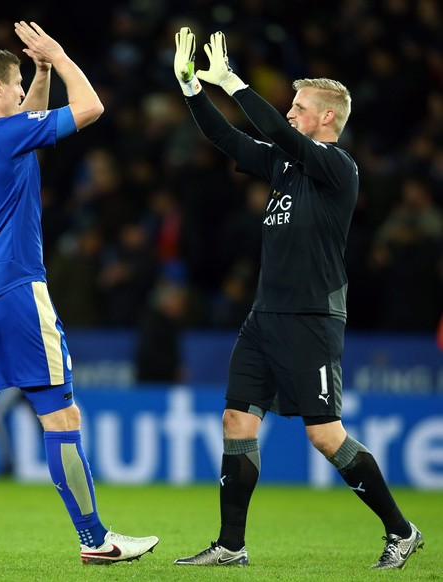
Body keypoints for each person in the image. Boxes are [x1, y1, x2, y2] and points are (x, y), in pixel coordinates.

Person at [0, 21, 158, 566]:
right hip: (15, 293)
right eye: (16, 83)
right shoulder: (4, 135)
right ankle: (97, 541)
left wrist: (39, 72)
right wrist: (60, 57)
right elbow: (90, 109)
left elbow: (25, 122)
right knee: (61, 416)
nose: (20, 92)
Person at [172, 27, 424, 570]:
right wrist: (194, 90)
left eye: (298, 106)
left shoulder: (339, 169)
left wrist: (234, 82)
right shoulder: (285, 165)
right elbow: (232, 140)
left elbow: (273, 131)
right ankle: (231, 546)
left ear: (326, 117)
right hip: (264, 317)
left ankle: (402, 531)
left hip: (312, 318)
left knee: (325, 435)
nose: (288, 112)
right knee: (236, 421)